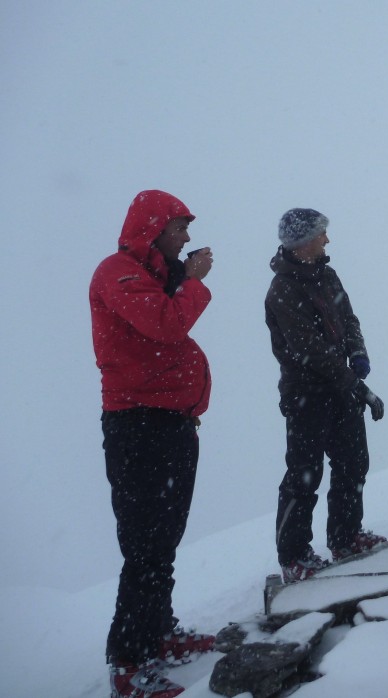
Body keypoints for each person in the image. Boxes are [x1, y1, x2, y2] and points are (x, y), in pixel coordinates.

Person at [90, 190, 216, 698]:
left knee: (164, 539)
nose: (187, 237)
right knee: (143, 546)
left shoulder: (156, 275)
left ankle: (158, 634)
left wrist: (181, 278)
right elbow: (164, 325)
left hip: (171, 423)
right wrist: (192, 282)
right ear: (154, 229)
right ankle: (127, 661)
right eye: (180, 228)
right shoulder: (117, 271)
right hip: (137, 426)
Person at [265, 208, 387, 584]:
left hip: (341, 388)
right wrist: (354, 383)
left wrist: (358, 353)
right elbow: (308, 350)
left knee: (353, 463)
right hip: (307, 395)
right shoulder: (283, 291)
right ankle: (294, 556)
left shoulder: (328, 275)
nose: (327, 240)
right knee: (305, 475)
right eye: (321, 234)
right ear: (302, 242)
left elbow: (349, 319)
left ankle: (346, 536)